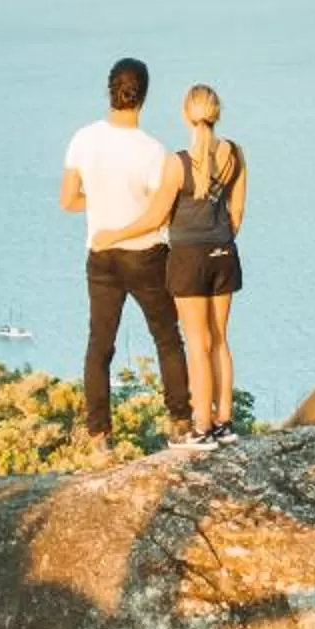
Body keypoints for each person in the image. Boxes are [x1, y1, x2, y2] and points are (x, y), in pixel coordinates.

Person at [95, 81, 246, 447]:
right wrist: (218, 240)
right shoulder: (235, 154)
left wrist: (112, 236)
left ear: (185, 114)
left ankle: (202, 428)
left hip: (188, 259)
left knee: (197, 342)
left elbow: (154, 217)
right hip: (224, 253)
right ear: (218, 112)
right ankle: (225, 423)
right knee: (221, 340)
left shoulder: (177, 164)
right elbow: (237, 213)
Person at [59, 57, 193, 442]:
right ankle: (180, 421)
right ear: (144, 96)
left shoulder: (83, 139)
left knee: (100, 345)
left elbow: (69, 200)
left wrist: (102, 204)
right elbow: (158, 213)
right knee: (167, 338)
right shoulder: (154, 151)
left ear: (109, 90)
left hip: (101, 256)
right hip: (146, 255)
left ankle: (99, 436)